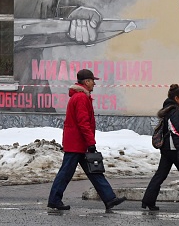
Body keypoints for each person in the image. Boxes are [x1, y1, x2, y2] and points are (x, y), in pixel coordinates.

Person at [47, 69, 126, 211]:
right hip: (76, 143)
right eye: (92, 81)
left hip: (78, 142)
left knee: (94, 171)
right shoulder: (81, 98)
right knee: (66, 173)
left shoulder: (81, 97)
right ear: (86, 82)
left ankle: (109, 199)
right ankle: (54, 200)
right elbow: (83, 123)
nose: (94, 84)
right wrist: (91, 143)